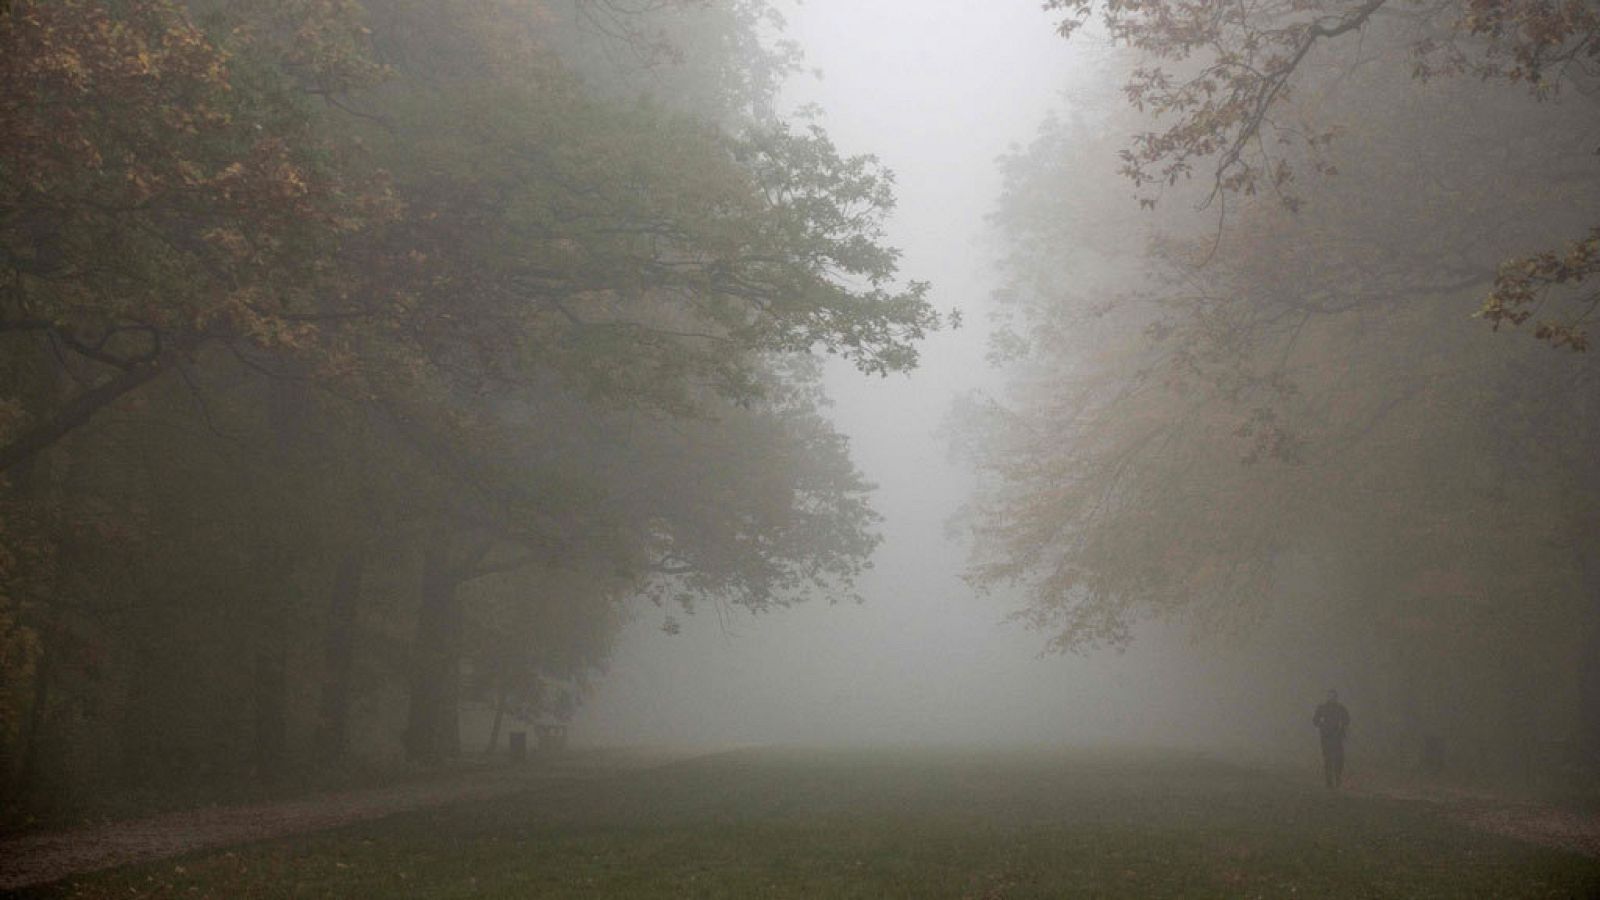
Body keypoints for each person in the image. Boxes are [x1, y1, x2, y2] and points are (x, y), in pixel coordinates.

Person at [1312, 690, 1351, 788]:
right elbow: (1315, 720)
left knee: (1339, 759)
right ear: (1327, 697)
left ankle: (1338, 778)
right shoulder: (1322, 708)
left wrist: (1342, 729)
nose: (1332, 698)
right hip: (1326, 737)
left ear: (1336, 697)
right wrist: (1322, 726)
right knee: (1328, 759)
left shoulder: (1340, 708)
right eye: (1330, 696)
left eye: (1334, 696)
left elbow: (1347, 720)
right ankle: (1329, 781)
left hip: (1337, 737)